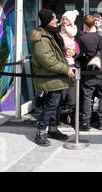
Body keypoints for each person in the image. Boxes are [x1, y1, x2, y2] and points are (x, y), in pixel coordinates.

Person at [30, 9, 75, 146]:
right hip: (49, 76)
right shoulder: (41, 38)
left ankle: (53, 129)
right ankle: (41, 132)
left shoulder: (53, 34)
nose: (57, 20)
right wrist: (65, 69)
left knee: (57, 104)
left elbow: (57, 55)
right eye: (54, 18)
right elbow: (47, 60)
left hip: (57, 75)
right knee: (51, 105)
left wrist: (71, 53)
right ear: (46, 21)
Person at [79, 14, 102, 131]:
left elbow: (80, 53)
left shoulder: (83, 38)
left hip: (89, 69)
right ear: (95, 23)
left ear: (86, 25)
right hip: (101, 69)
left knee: (87, 96)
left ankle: (86, 122)